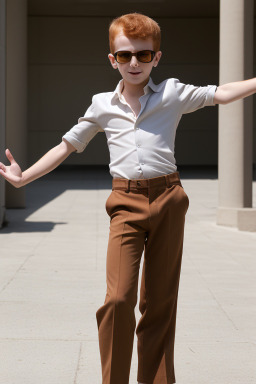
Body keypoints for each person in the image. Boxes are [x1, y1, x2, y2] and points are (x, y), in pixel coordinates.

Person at [0, 12, 256, 384]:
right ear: (112, 59)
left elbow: (221, 93)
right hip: (126, 203)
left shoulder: (172, 93)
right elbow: (66, 146)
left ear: (157, 57)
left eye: (143, 54)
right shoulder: (102, 104)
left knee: (160, 304)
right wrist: (24, 178)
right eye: (124, 55)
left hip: (169, 198)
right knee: (119, 299)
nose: (134, 63)